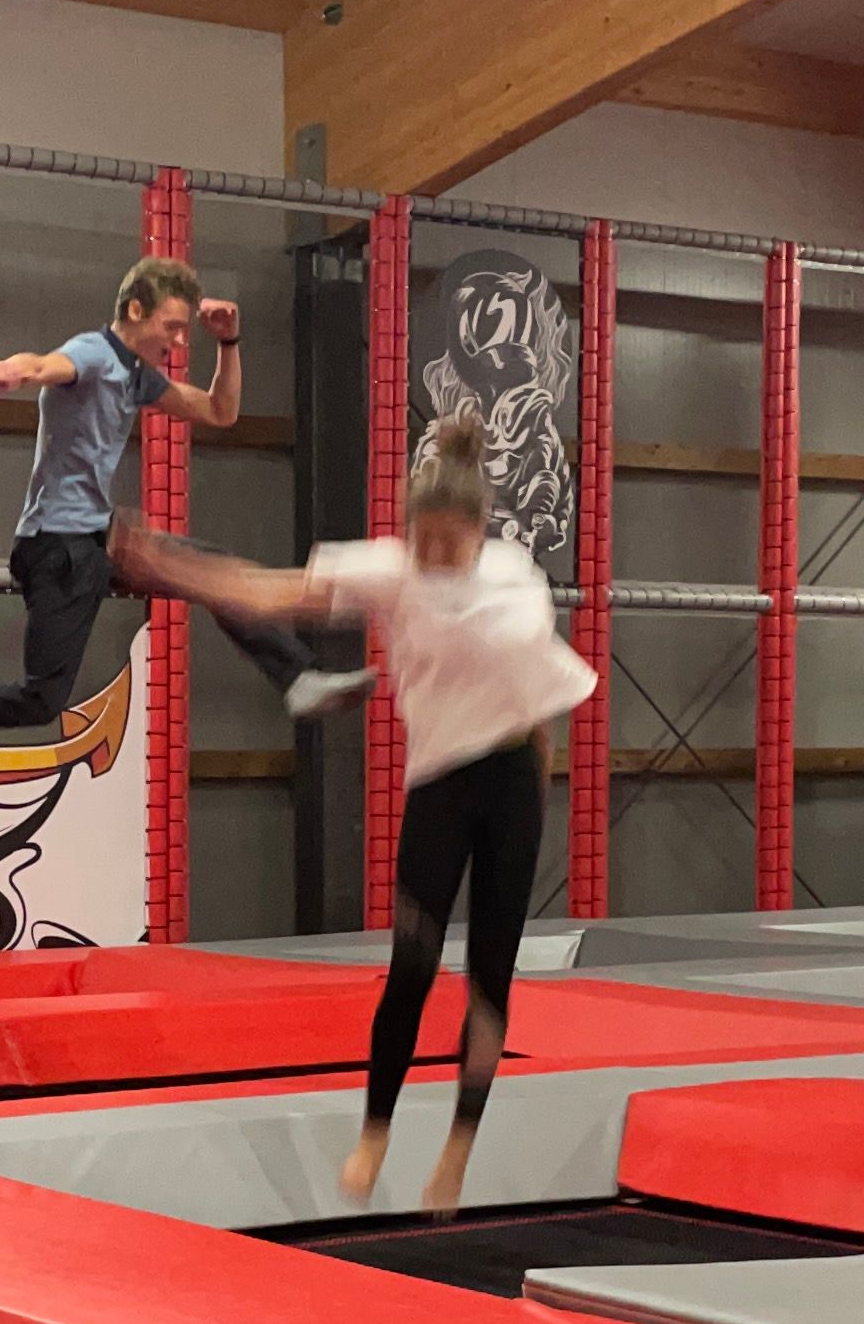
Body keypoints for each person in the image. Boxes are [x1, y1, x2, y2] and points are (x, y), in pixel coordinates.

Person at [117, 410, 596, 1214]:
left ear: (480, 527)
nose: (433, 555)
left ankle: (458, 1146)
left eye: (449, 542)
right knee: (412, 967)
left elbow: (540, 703)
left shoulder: (518, 577)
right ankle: (376, 1130)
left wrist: (542, 796)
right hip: (440, 784)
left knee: (491, 981)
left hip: (514, 781)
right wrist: (172, 568)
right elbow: (270, 592)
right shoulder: (389, 569)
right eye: (422, 539)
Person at [0, 257, 367, 781]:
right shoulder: (93, 352)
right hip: (57, 546)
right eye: (172, 327)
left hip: (102, 537)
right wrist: (24, 369)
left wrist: (229, 344)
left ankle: (298, 678)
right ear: (135, 310)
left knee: (213, 572)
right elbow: (52, 365)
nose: (181, 341)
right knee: (41, 699)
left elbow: (219, 411)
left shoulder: (136, 376)